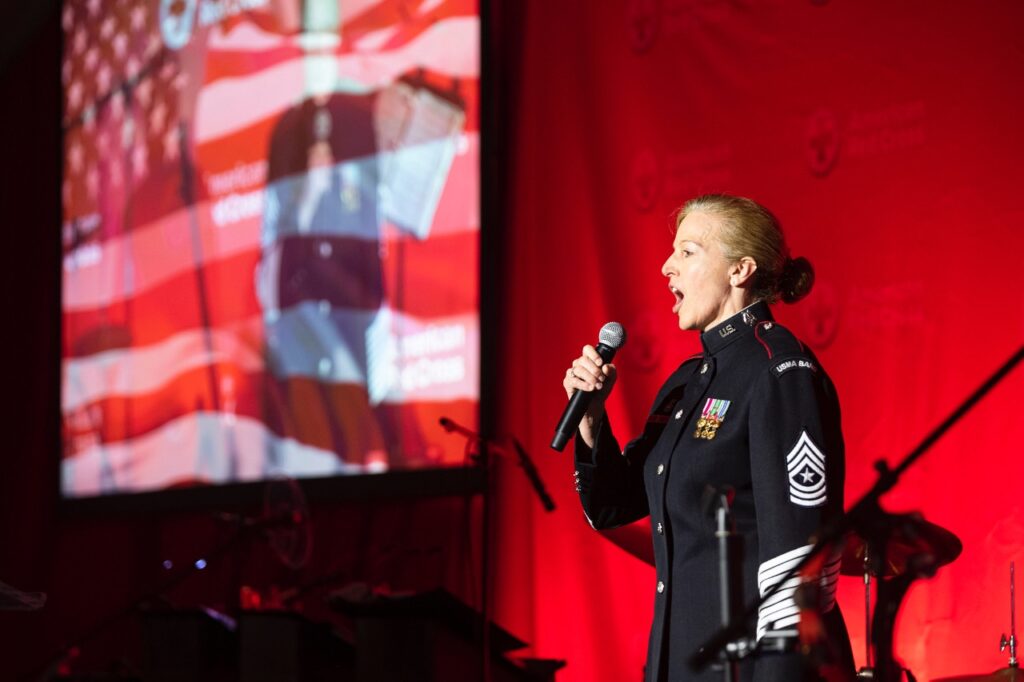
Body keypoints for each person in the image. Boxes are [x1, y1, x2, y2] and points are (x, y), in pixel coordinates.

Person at [564, 194, 854, 681]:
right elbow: (611, 505)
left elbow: (797, 567)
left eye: (687, 252)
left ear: (739, 270)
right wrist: (591, 415)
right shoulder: (688, 380)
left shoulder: (778, 369)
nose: (666, 266)